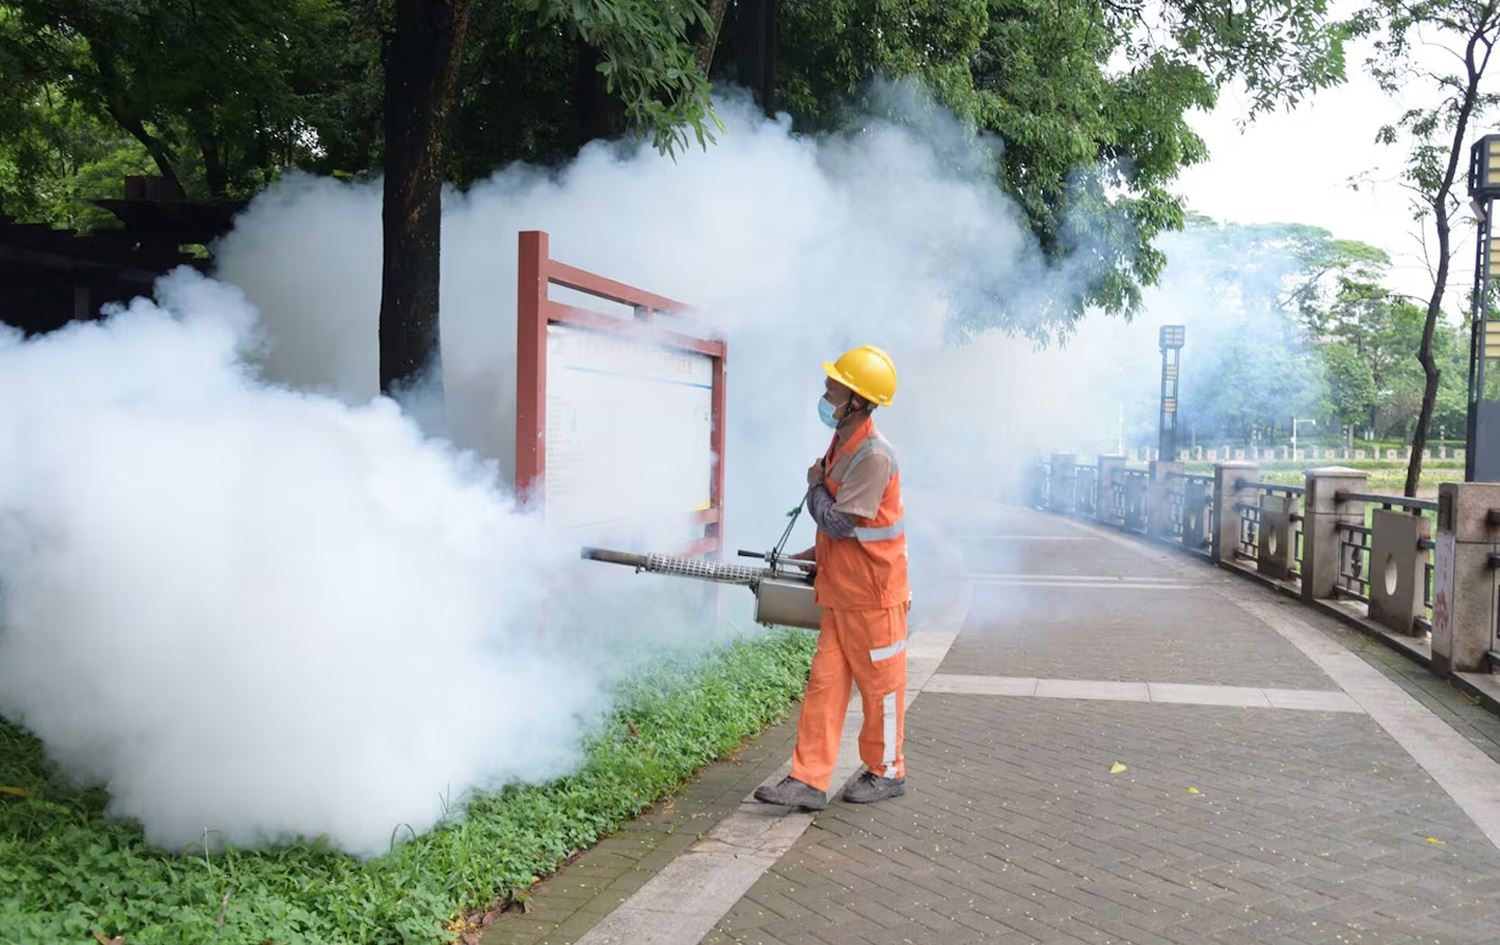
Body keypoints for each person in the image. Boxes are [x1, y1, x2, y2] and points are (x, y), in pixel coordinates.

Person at [754, 345, 910, 811]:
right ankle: (807, 780)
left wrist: (813, 486)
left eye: (833, 389)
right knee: (824, 686)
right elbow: (841, 534)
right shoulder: (843, 441)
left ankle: (888, 771)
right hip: (843, 594)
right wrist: (810, 558)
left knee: (881, 690)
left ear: (857, 400)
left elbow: (839, 522)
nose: (825, 395)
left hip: (874, 598)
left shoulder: (873, 456)